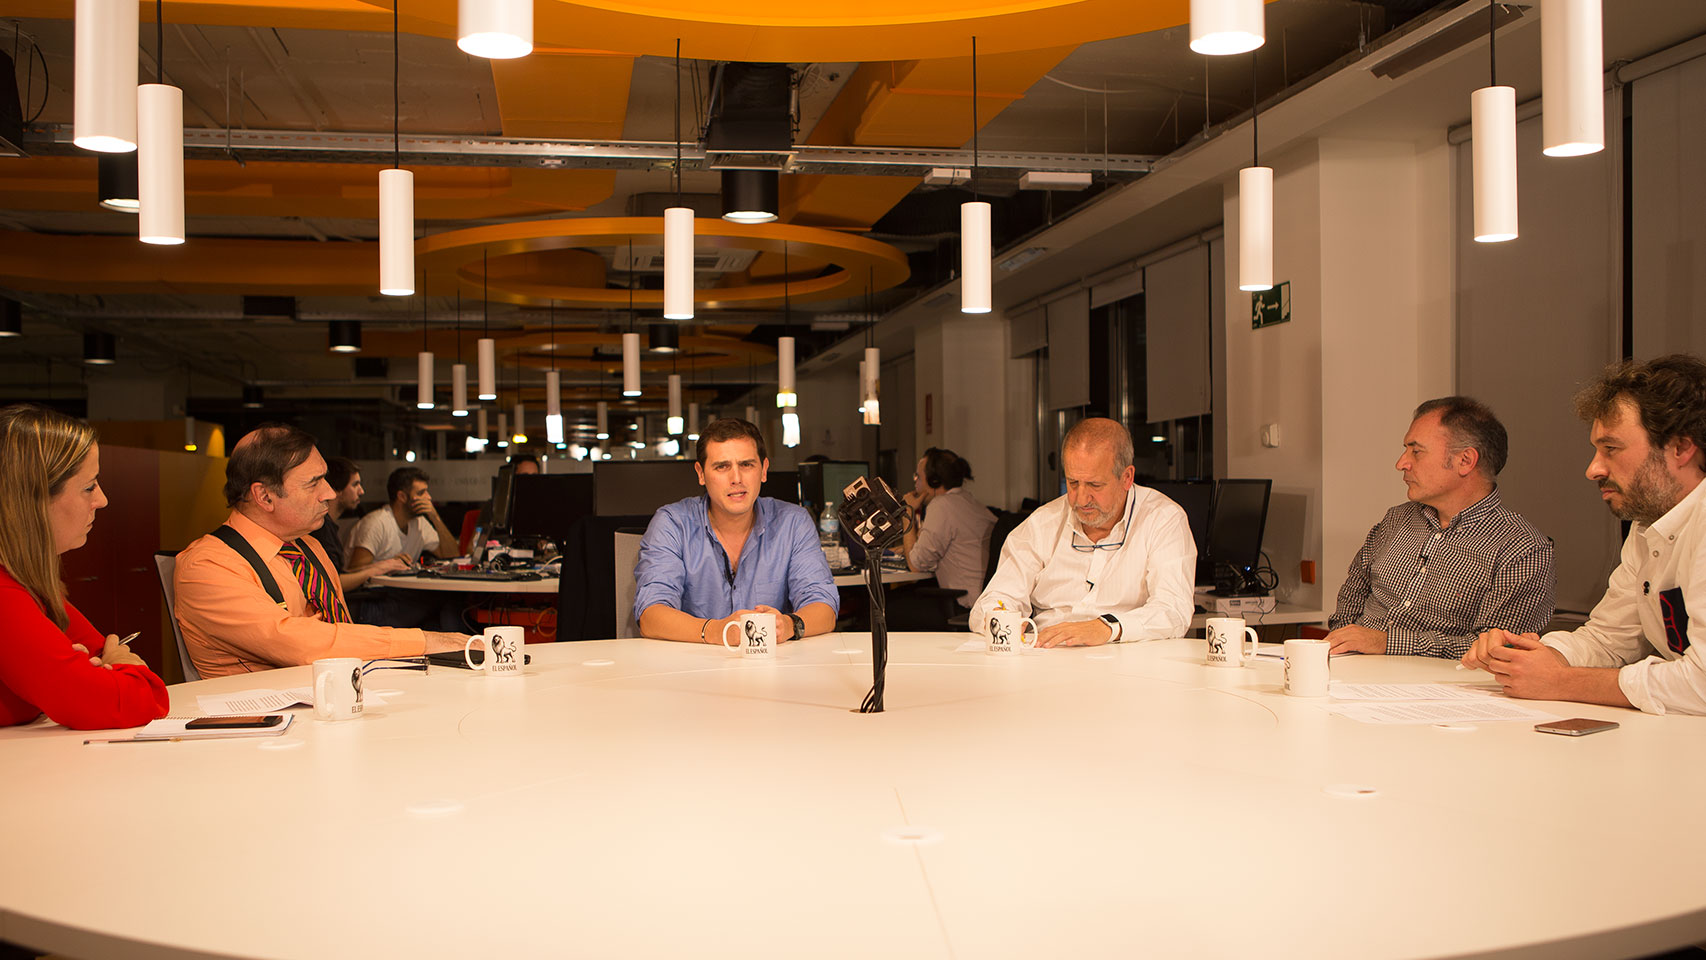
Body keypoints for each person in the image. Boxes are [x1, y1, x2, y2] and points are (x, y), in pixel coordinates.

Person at [1464, 355, 1706, 715]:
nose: (1593, 469)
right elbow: (1608, 640)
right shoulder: (1648, 528)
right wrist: (1535, 658)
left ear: (1680, 448)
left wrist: (1561, 682)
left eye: (1611, 448)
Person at [173, 424, 468, 678]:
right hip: (262, 728)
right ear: (264, 496)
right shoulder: (206, 566)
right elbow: (299, 643)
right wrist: (426, 642)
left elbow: (340, 634)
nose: (329, 493)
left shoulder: (309, 547)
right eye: (314, 483)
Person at [1325, 397, 1555, 659]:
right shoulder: (1396, 519)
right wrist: (1342, 649)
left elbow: (1496, 651)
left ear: (1465, 461)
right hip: (1351, 672)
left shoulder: (1522, 549)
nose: (1401, 463)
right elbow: (1350, 600)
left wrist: (1387, 643)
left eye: (1416, 451)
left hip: (1438, 690)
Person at [0, 405, 169, 729]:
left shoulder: (29, 586)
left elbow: (104, 666)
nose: (102, 500)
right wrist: (117, 664)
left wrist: (99, 670)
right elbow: (136, 699)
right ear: (33, 500)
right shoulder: (5, 596)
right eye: (89, 486)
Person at [973, 418, 1195, 647]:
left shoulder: (1163, 519)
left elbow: (1173, 609)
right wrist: (1005, 620)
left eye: (1095, 485)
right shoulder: (1042, 523)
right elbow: (993, 600)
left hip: (1127, 661)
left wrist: (1108, 628)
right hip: (1047, 659)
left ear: (1127, 478)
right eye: (1072, 483)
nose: (1080, 499)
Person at [634, 418, 838, 643]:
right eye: (722, 467)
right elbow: (651, 615)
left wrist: (789, 625)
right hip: (694, 668)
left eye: (746, 465)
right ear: (701, 473)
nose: (736, 479)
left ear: (764, 470)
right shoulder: (672, 523)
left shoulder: (793, 522)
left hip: (772, 669)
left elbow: (824, 608)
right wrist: (718, 631)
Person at [902, 448, 995, 605]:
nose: (915, 482)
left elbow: (916, 565)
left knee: (882, 608)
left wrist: (907, 513)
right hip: (984, 599)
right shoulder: (968, 501)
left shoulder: (941, 506)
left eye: (918, 477)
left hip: (963, 603)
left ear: (934, 481)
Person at [311, 456, 406, 592]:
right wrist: (374, 570)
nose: (361, 491)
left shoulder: (327, 525)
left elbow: (339, 573)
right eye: (355, 485)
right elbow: (333, 583)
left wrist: (381, 566)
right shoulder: (321, 528)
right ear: (335, 490)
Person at [347, 467, 457, 571]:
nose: (428, 497)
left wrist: (435, 517)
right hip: (371, 589)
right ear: (402, 497)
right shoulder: (376, 523)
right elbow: (354, 570)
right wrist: (388, 565)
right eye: (421, 493)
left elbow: (452, 555)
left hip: (398, 588)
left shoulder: (420, 523)